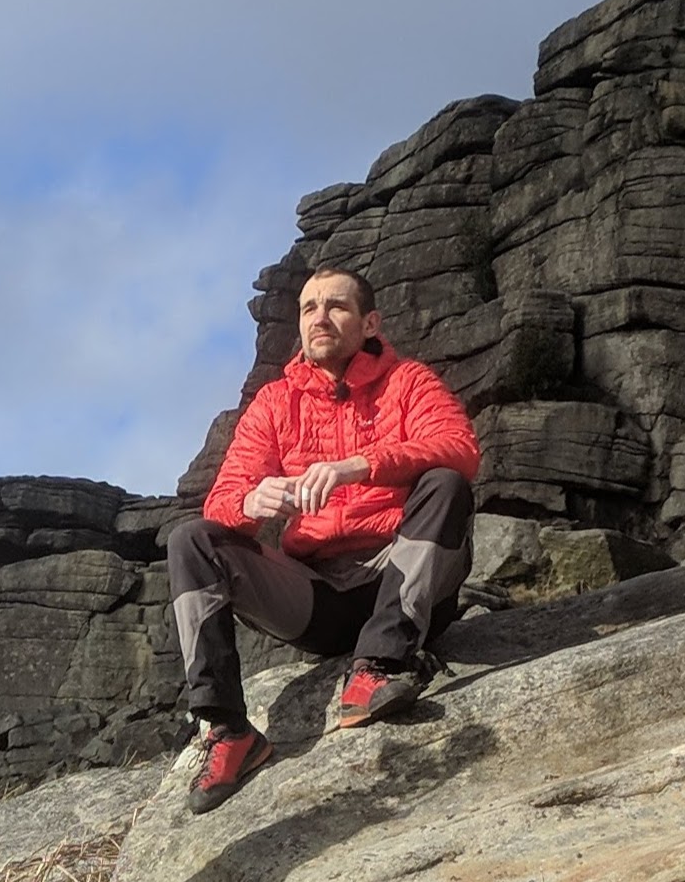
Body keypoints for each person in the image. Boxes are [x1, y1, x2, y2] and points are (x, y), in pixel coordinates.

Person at [168, 268, 480, 813]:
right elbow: (222, 499)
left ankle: (381, 667)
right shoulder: (275, 402)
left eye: (336, 306)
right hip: (320, 598)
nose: (319, 317)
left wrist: (363, 465)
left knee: (445, 484)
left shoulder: (409, 381)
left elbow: (460, 448)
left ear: (370, 322)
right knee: (193, 540)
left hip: (405, 580)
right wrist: (250, 503)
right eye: (309, 308)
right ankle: (226, 730)